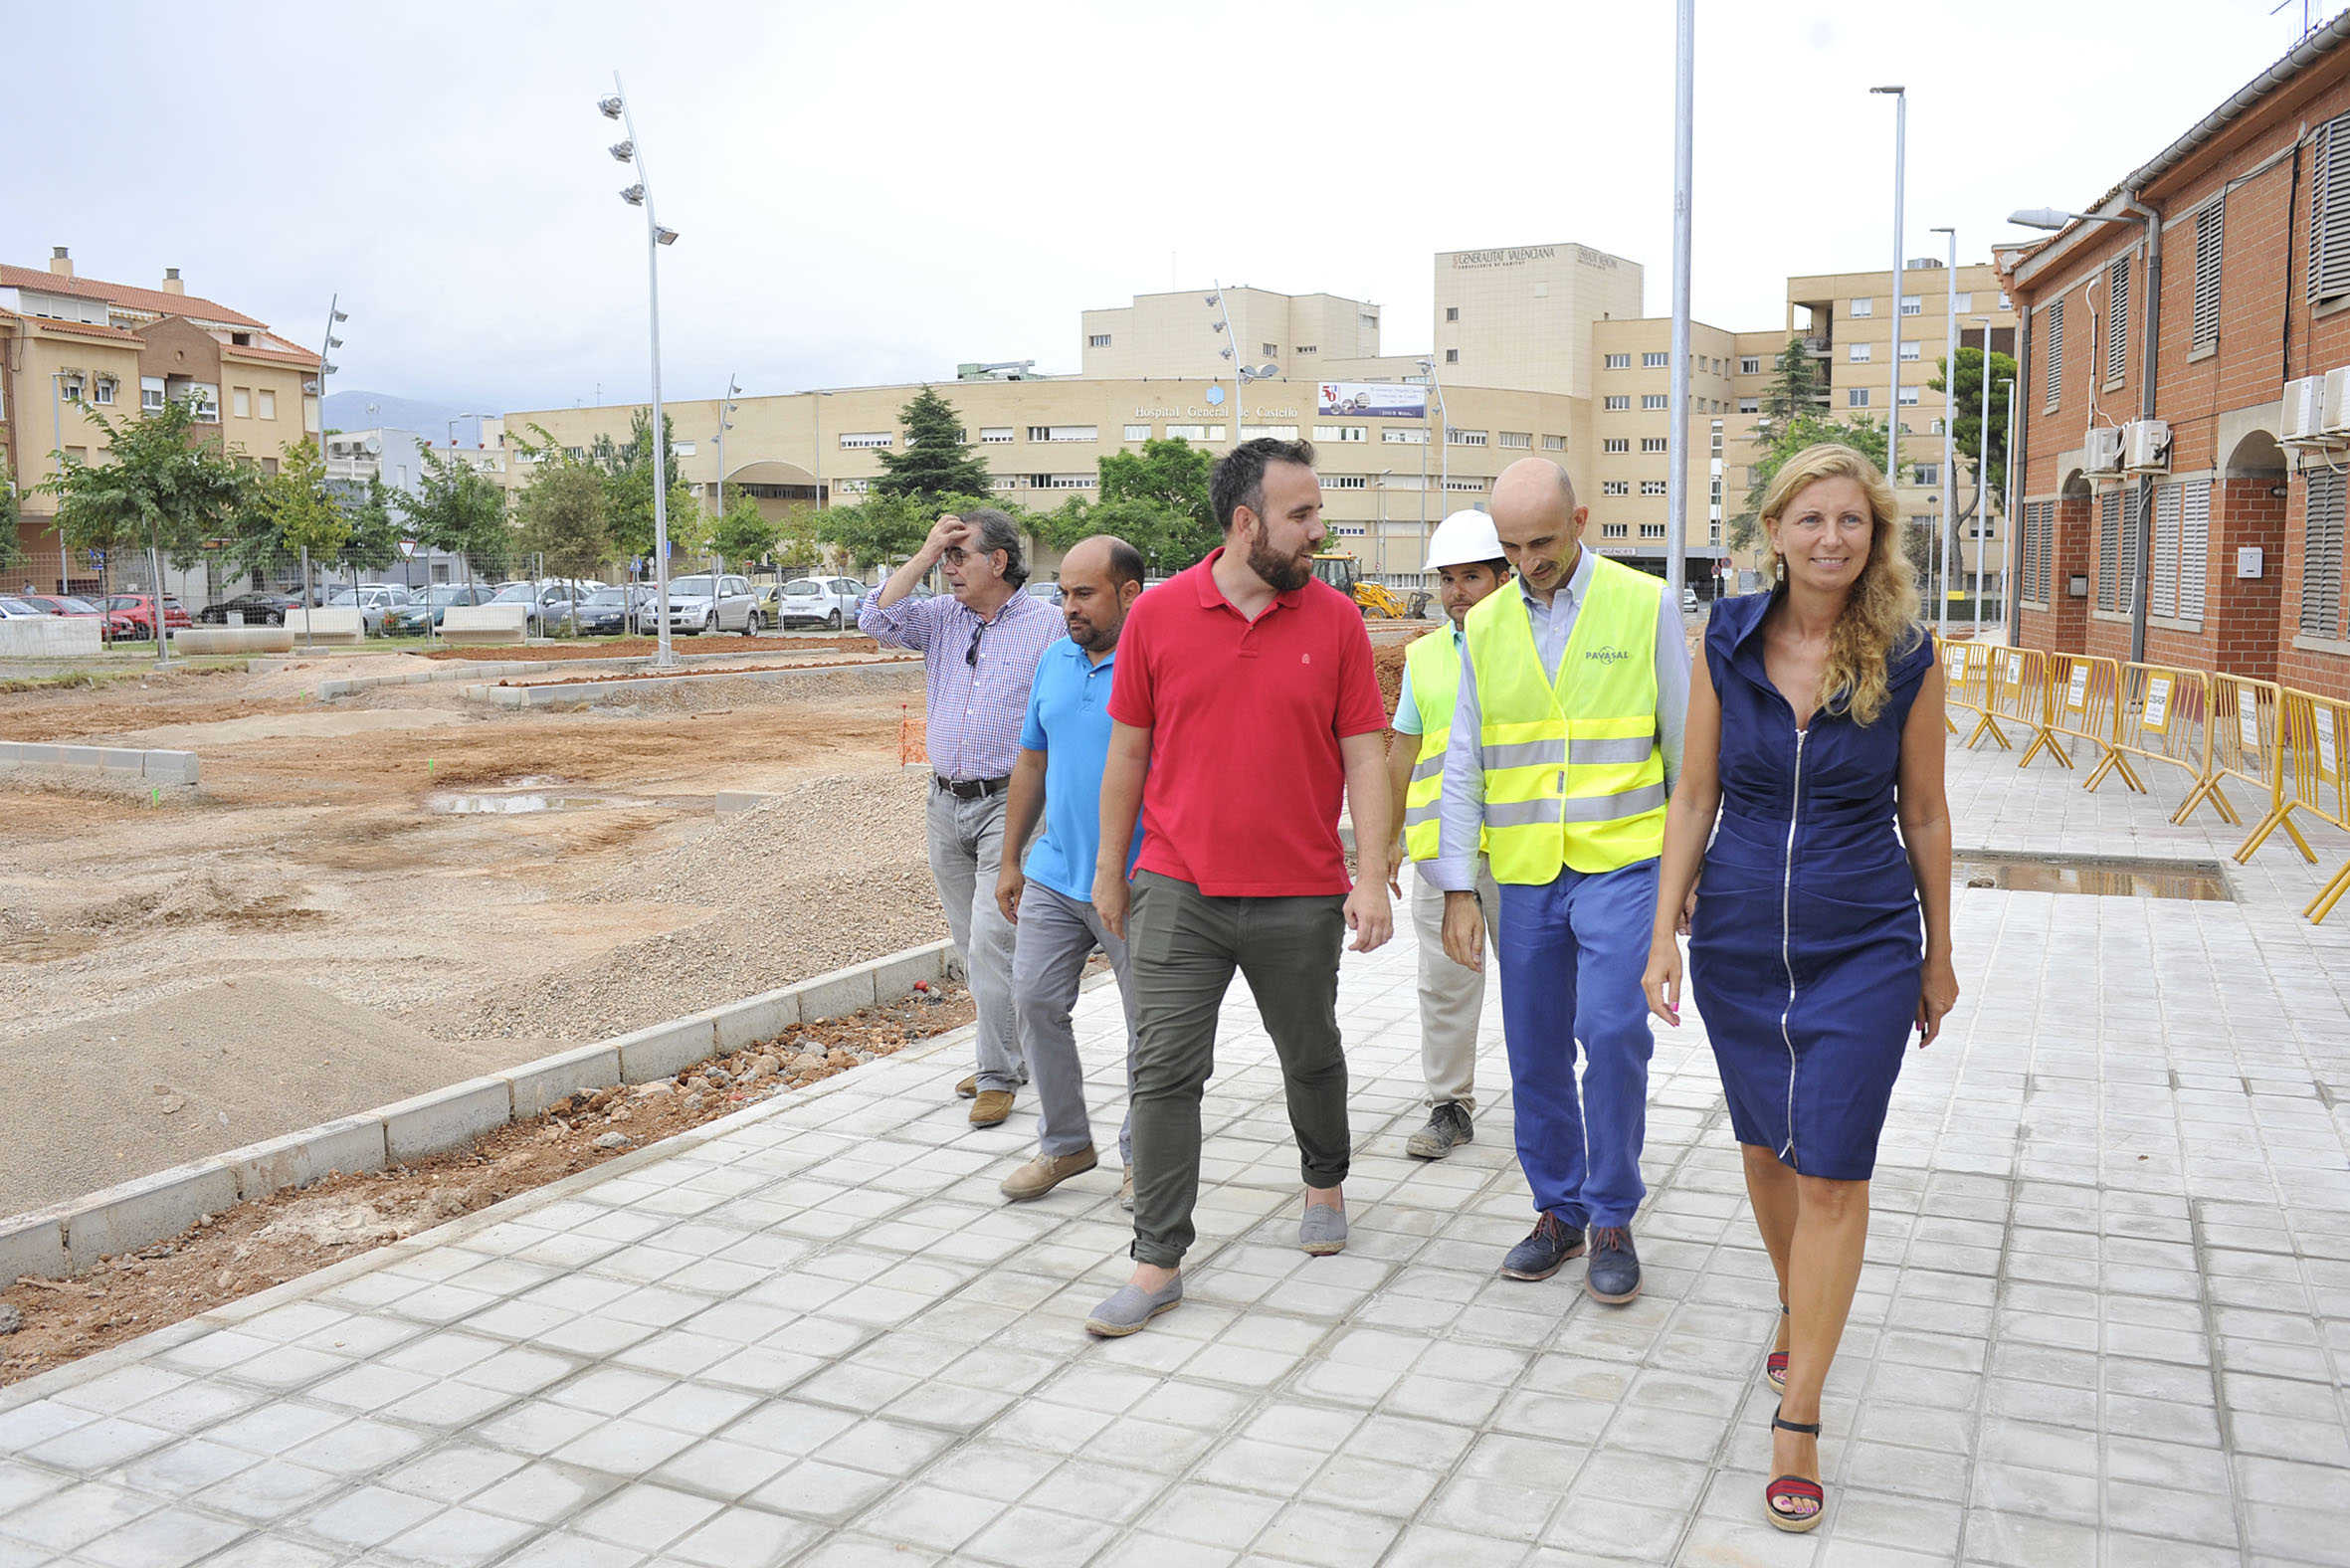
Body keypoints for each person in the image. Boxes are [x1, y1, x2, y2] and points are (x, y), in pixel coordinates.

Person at [1642, 443, 1955, 1533]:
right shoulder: (1723, 637)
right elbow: (1694, 793)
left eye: (1852, 521)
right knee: (1766, 1151)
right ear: (1773, 530)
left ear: (1876, 537)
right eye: (1811, 519)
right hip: (1734, 936)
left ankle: (1801, 1413)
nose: (1832, 539)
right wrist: (1660, 930)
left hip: (1864, 936)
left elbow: (1922, 811)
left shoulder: (1907, 655)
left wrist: (1938, 948)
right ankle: (1796, 1302)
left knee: (1832, 1173)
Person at [1082, 437, 1394, 1337]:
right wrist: (1112, 870)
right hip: (1178, 885)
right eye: (1302, 516)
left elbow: (1364, 753)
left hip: (1299, 892)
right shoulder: (1159, 616)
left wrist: (1369, 875)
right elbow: (1128, 751)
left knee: (1311, 1052)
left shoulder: (1335, 620)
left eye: (1318, 514)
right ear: (1247, 522)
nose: (1317, 533)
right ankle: (1155, 1260)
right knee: (1165, 1071)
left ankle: (1324, 1179)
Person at [1432, 458, 1688, 1303]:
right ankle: (1559, 1210)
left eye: (1542, 540)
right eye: (1511, 546)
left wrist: (1693, 877)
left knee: (1612, 1030)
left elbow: (1686, 746)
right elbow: (1464, 761)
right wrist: (1459, 888)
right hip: (1526, 871)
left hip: (1622, 859)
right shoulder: (1488, 624)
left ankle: (1612, 1212)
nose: (1528, 560)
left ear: (1581, 520)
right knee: (1536, 1047)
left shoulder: (1642, 603)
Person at [859, 508, 1064, 1128]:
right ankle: (1008, 1052)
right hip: (944, 802)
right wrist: (923, 554)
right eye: (944, 557)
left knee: (993, 938)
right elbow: (875, 618)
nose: (948, 568)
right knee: (971, 943)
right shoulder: (942, 619)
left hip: (1014, 802)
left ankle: (998, 1075)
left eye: (959, 555)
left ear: (998, 561)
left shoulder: (1048, 626)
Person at [993, 535, 1149, 1206]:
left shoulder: (1157, 665)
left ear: (1129, 594)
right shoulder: (1054, 660)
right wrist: (1010, 859)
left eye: (1084, 593)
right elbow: (1032, 761)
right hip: (1057, 873)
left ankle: (1145, 1159)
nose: (1068, 607)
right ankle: (1065, 1144)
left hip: (1141, 879)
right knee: (1032, 1000)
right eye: (1064, 592)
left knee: (1153, 1028)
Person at [1383, 510, 1510, 1159]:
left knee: (1539, 987)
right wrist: (1386, 838)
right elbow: (1403, 752)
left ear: (1503, 578)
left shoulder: (1531, 647)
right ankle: (1448, 1107)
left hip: (1522, 851)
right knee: (1444, 985)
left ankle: (1555, 1102)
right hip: (1443, 854)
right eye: (1449, 579)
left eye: (1472, 577)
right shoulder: (1426, 657)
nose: (1458, 592)